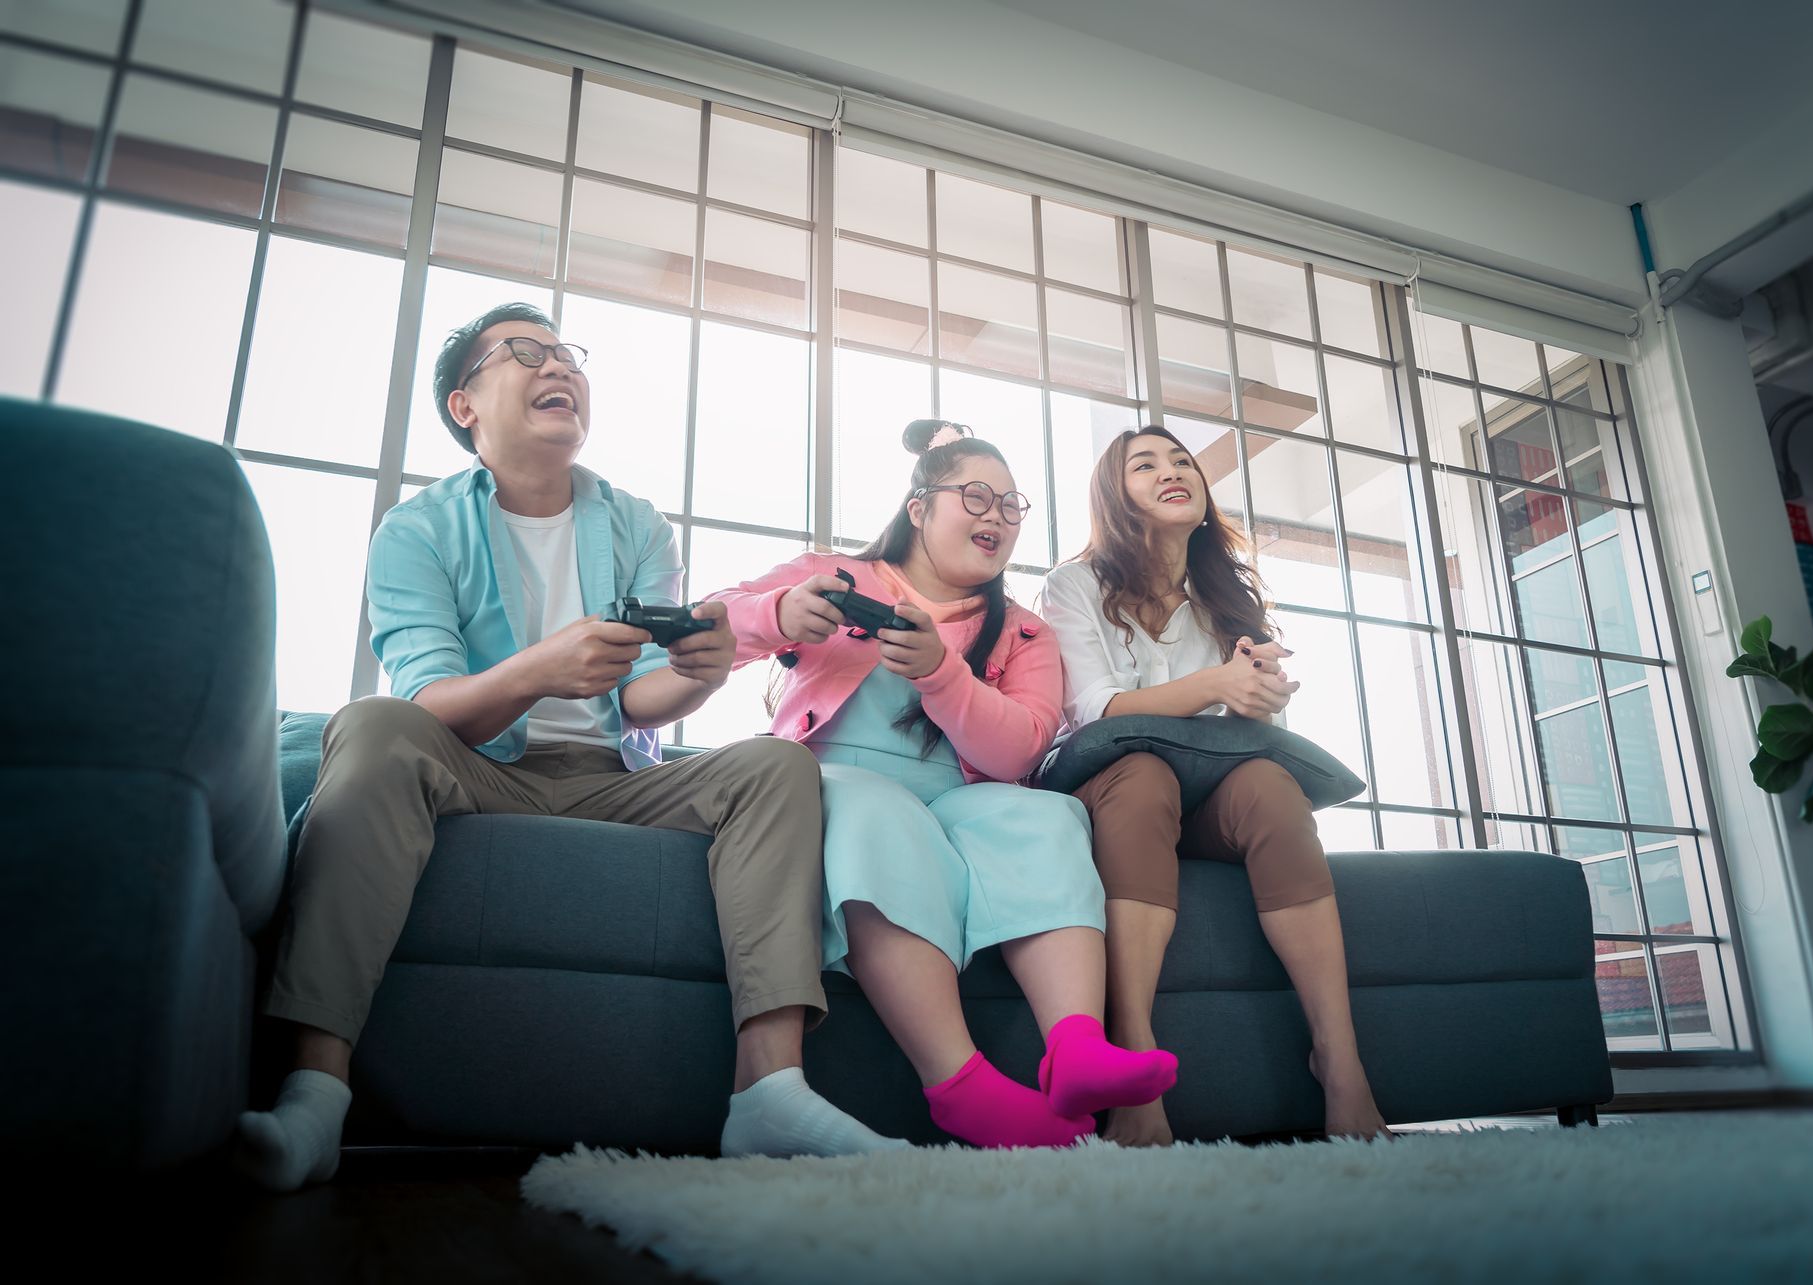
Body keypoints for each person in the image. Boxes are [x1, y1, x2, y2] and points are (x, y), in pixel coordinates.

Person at [236, 303, 901, 1191]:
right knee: (372, 723)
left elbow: (640, 699)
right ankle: (316, 1092)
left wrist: (701, 673)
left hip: (612, 779)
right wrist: (537, 669)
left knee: (776, 766)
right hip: (476, 768)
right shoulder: (416, 530)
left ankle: (768, 1090)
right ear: (465, 404)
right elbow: (431, 702)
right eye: (525, 353)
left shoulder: (635, 523)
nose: (559, 366)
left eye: (567, 355)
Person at [710, 420, 1178, 1148]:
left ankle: (1077, 1045)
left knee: (1047, 817)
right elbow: (712, 624)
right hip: (832, 781)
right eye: (976, 495)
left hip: (961, 795)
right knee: (876, 813)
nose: (995, 514)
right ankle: (959, 1083)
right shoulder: (835, 575)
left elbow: (1021, 746)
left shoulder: (1024, 632)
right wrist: (777, 613)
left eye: (1011, 505)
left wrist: (940, 671)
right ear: (919, 507)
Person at [1039, 424, 1389, 1145]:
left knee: (1269, 783)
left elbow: (1258, 729)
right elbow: (1096, 712)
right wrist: (1215, 682)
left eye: (1181, 461)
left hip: (1213, 796)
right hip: (1117, 794)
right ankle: (1133, 1055)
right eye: (1145, 464)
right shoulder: (1072, 584)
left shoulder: (1225, 597)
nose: (1172, 471)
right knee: (1140, 774)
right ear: (1114, 493)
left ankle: (1341, 1059)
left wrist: (1259, 690)